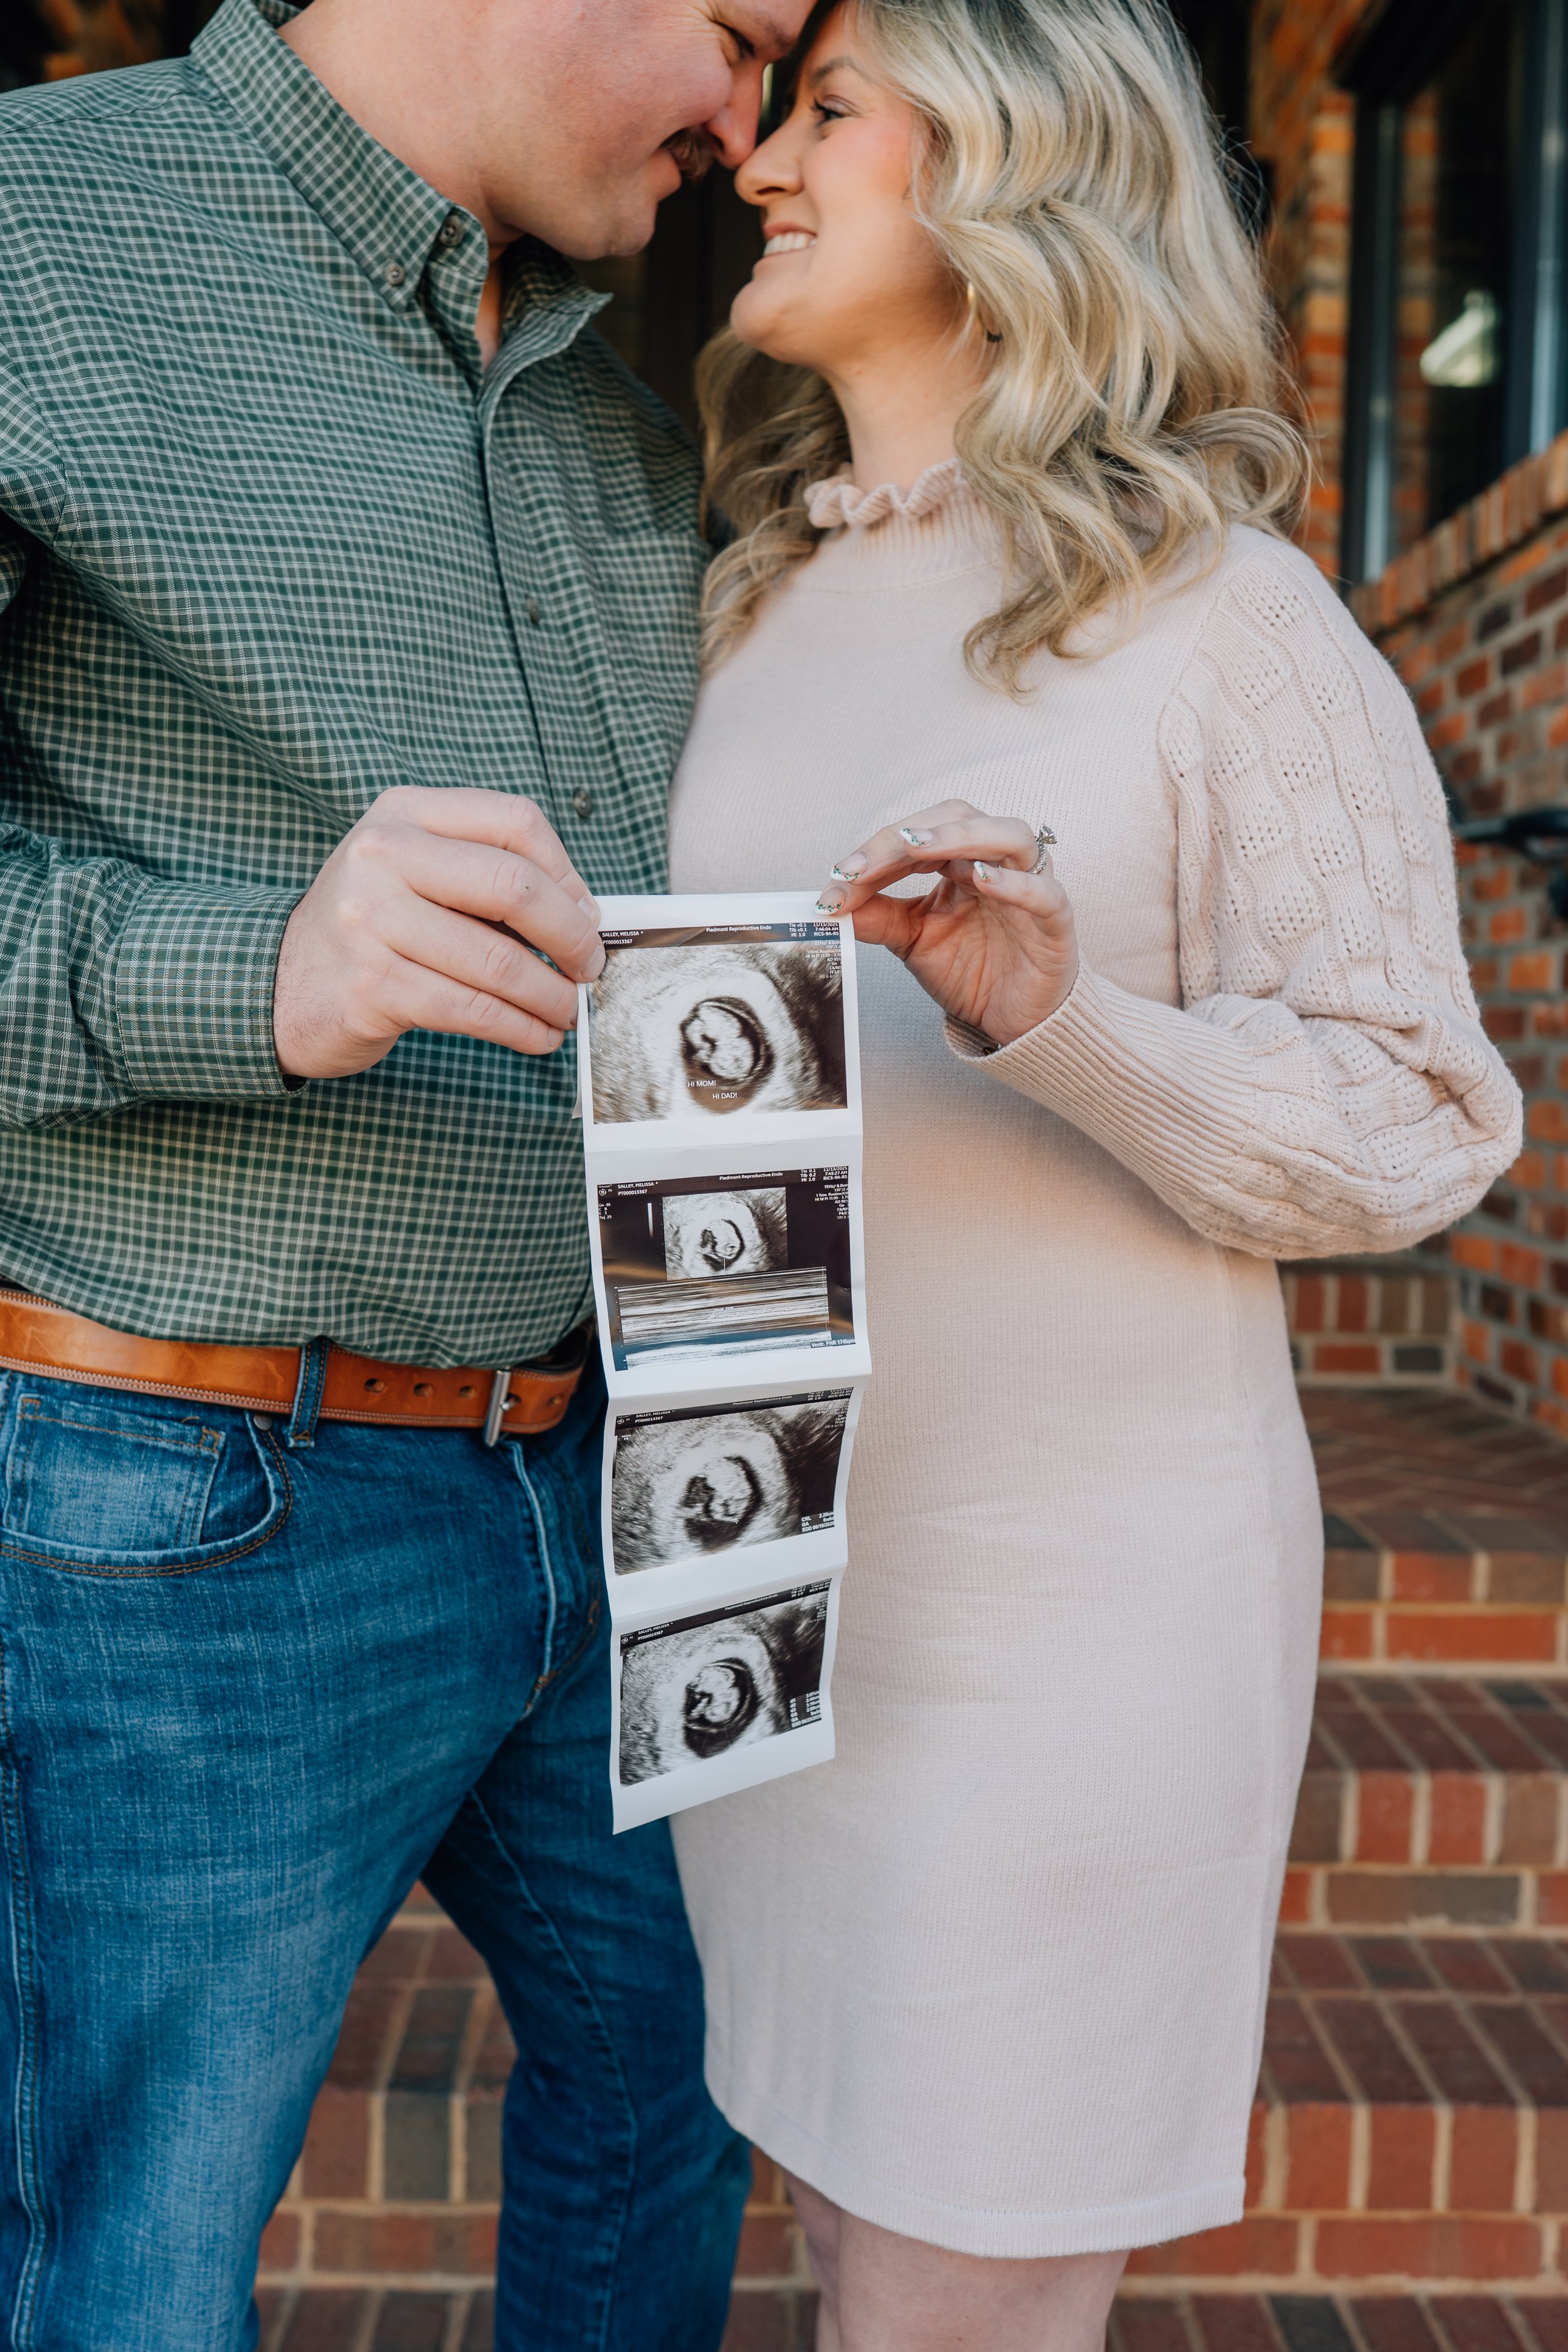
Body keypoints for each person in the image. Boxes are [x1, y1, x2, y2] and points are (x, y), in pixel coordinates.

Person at [666, 0, 1523, 2344]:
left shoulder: (1222, 614)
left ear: (1015, 162)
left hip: (1060, 1643)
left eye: (827, 107)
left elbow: (1415, 1122)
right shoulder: (740, 607)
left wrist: (1057, 1019)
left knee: (955, 2299)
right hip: (765, 1610)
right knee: (846, 2251)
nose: (757, 158)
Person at [0, 0, 813, 2338]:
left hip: (636, 1475)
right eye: (749, 41)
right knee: (122, 2275)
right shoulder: (39, 239)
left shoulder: (621, 392)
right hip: (174, 1507)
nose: (745, 131)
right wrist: (261, 967)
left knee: (688, 2101)